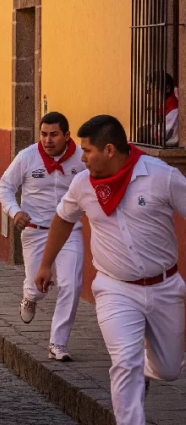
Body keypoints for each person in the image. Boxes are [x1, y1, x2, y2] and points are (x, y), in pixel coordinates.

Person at [35, 115, 186, 425]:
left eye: (88, 150)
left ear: (109, 149)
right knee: (124, 363)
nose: (82, 157)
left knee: (170, 368)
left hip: (165, 286)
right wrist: (45, 263)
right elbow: (64, 219)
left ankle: (149, 367)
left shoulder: (161, 176)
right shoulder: (82, 184)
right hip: (114, 287)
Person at [0, 112, 83, 362]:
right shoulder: (27, 157)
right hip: (35, 231)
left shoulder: (81, 159)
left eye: (54, 134)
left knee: (71, 285)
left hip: (70, 231)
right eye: (43, 134)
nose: (47, 139)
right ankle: (29, 297)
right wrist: (15, 211)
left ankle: (58, 343)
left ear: (67, 135)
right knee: (38, 289)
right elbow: (4, 187)